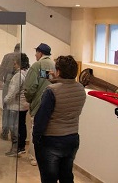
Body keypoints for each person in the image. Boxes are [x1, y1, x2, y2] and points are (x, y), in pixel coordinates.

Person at [33, 55, 86, 183]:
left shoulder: (51, 91)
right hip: (72, 138)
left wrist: (36, 138)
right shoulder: (80, 89)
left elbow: (41, 119)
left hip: (51, 140)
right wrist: (57, 79)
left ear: (59, 71)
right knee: (66, 176)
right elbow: (66, 90)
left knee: (49, 178)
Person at [23, 42, 56, 166]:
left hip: (38, 104)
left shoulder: (37, 65)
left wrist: (30, 99)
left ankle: (34, 157)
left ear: (40, 53)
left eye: (36, 52)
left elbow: (30, 87)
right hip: (52, 105)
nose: (35, 54)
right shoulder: (54, 65)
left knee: (34, 130)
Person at [3, 53, 30, 157]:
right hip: (24, 105)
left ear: (19, 63)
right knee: (21, 126)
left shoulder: (18, 75)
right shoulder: (26, 73)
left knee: (14, 127)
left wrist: (5, 100)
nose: (13, 63)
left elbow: (13, 92)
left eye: (15, 61)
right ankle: (21, 147)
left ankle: (16, 148)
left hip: (16, 105)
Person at [0, 43, 21, 140]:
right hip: (18, 80)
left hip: (7, 81)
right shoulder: (22, 57)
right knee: (14, 109)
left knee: (6, 107)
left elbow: (1, 70)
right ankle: (13, 133)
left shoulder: (7, 56)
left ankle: (4, 132)